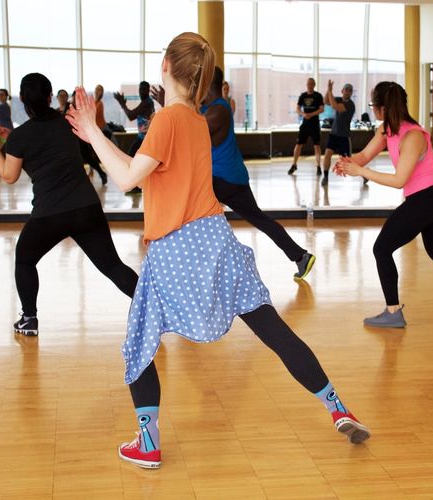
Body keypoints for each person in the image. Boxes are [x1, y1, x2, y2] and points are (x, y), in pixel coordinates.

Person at [67, 32, 370, 470]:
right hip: (216, 238)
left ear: (166, 66)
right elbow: (141, 169)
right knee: (273, 330)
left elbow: (127, 179)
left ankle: (148, 443)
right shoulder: (193, 119)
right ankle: (338, 407)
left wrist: (94, 131)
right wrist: (97, 134)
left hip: (175, 247)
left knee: (138, 344)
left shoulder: (168, 120)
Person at [0, 73, 138, 336]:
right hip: (86, 208)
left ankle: (29, 319)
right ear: (50, 97)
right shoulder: (67, 122)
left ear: (22, 99)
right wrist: (10, 138)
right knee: (112, 266)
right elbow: (48, 138)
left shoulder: (21, 137)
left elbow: (9, 176)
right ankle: (152, 309)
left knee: (24, 259)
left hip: (50, 214)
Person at [333, 81, 433, 328]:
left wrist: (361, 171)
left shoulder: (413, 136)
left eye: (374, 105)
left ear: (383, 107)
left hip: (428, 199)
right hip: (429, 198)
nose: (373, 109)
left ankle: (393, 311)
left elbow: (399, 181)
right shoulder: (386, 130)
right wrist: (347, 163)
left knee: (382, 248)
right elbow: (364, 155)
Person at [201, 66, 316, 279]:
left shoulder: (218, 110)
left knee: (194, 217)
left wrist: (169, 106)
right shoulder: (209, 107)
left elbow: (190, 132)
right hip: (228, 178)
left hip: (223, 180)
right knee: (257, 219)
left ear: (207, 84)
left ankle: (219, 270)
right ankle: (301, 256)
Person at [321, 81, 355, 187]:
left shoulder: (350, 105)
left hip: (344, 137)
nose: (348, 92)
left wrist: (330, 91)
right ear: (342, 91)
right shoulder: (339, 99)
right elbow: (326, 101)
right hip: (334, 135)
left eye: (350, 90)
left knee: (348, 163)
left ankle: (364, 175)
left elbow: (335, 106)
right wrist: (328, 89)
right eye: (346, 89)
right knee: (327, 155)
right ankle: (325, 177)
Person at [287, 78, 324, 176]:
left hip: (315, 124)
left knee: (317, 145)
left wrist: (311, 114)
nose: (310, 85)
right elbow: (297, 109)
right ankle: (294, 164)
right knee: (299, 144)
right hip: (305, 124)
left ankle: (318, 166)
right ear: (306, 85)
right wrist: (304, 114)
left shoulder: (318, 96)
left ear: (314, 85)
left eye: (311, 84)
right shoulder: (303, 96)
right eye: (308, 84)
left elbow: (321, 109)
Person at [71, 90, 108, 185]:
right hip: (72, 139)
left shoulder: (82, 109)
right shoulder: (68, 108)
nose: (77, 100)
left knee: (87, 158)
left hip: (82, 138)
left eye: (78, 98)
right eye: (75, 98)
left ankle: (101, 173)